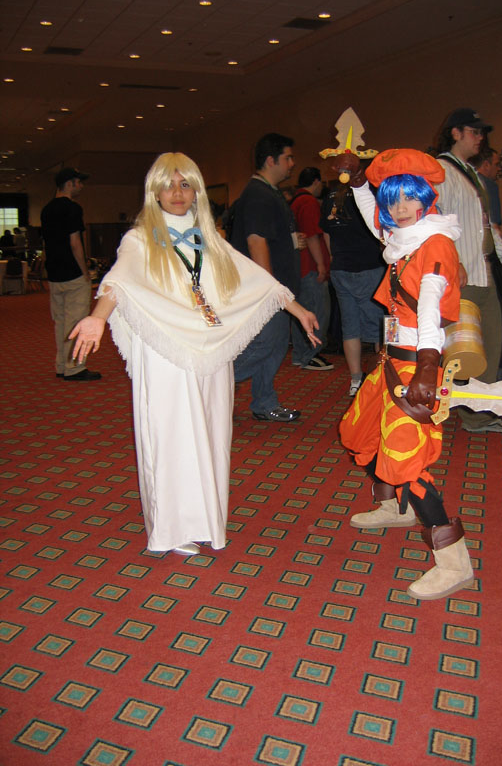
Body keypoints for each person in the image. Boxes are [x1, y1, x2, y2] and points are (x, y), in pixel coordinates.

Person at [69, 152, 319, 556]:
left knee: (212, 433)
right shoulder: (139, 239)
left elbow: (254, 277)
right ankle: (171, 528)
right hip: (165, 350)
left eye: (185, 184)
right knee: (171, 435)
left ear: (197, 191)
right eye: (168, 185)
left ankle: (205, 520)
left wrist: (297, 309)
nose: (177, 193)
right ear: (154, 192)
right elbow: (119, 281)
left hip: (210, 347)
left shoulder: (209, 238)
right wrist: (97, 317)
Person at [332, 148, 474, 600]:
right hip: (393, 360)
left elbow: (430, 307)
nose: (399, 208)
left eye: (409, 198)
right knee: (362, 431)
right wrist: (360, 183)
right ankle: (395, 508)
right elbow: (375, 219)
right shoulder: (403, 239)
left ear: (426, 198)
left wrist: (428, 367)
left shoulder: (434, 243)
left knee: (409, 462)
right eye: (392, 199)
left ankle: (454, 564)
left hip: (417, 363)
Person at [434, 108, 502, 433]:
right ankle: (446, 408)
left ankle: (478, 412)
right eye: (474, 131)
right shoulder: (441, 171)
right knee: (458, 352)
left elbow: (484, 224)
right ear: (455, 133)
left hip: (484, 274)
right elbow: (435, 221)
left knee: (489, 347)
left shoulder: (470, 173)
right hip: (461, 278)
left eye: (482, 132)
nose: (480, 138)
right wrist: (451, 261)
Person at [230, 133, 304, 422]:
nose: (292, 163)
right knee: (266, 343)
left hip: (278, 288)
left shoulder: (269, 193)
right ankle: (213, 381)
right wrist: (270, 289)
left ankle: (264, 401)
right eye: (288, 157)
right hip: (266, 289)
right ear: (271, 160)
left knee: (275, 345)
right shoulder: (258, 195)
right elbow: (256, 242)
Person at [321, 181, 385, 395]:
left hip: (341, 268)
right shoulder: (367, 194)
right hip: (370, 266)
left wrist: (334, 256)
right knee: (379, 328)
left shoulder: (331, 196)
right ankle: (380, 379)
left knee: (350, 327)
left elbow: (326, 233)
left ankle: (355, 381)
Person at [40, 167, 101, 381]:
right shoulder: (72, 208)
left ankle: (62, 365)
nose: (81, 186)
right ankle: (74, 367)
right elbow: (75, 242)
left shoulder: (46, 209)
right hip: (73, 273)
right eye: (78, 182)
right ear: (69, 183)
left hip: (54, 273)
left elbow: (46, 244)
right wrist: (85, 272)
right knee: (76, 322)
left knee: (60, 322)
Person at [290, 167, 334, 371]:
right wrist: (321, 264)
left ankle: (300, 354)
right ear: (316, 182)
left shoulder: (295, 201)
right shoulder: (308, 202)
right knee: (318, 311)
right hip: (309, 266)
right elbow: (312, 236)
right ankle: (310, 354)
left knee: (302, 311)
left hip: (299, 266)